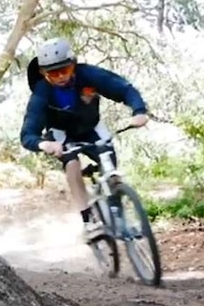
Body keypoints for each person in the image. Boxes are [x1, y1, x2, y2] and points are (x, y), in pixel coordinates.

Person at [19, 37, 149, 242]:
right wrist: (44, 144)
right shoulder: (41, 94)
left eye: (66, 70)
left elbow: (124, 89)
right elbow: (27, 134)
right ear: (44, 74)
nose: (61, 76)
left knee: (111, 168)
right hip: (61, 135)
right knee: (71, 163)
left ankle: (119, 217)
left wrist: (139, 110)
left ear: (74, 65)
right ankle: (89, 222)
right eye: (53, 73)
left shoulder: (88, 75)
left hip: (91, 128)